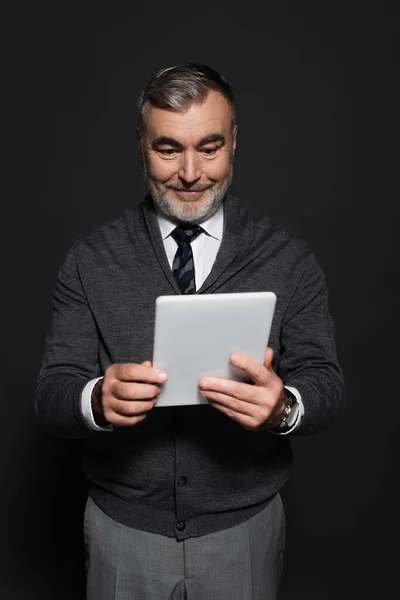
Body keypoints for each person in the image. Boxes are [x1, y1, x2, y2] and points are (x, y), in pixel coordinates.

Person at [35, 63, 345, 600]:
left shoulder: (289, 258)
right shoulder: (90, 259)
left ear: (234, 142)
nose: (191, 172)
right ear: (140, 146)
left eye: (209, 147)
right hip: (121, 535)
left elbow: (325, 380)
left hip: (244, 533)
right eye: (168, 149)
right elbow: (52, 390)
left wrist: (284, 408)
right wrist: (96, 399)